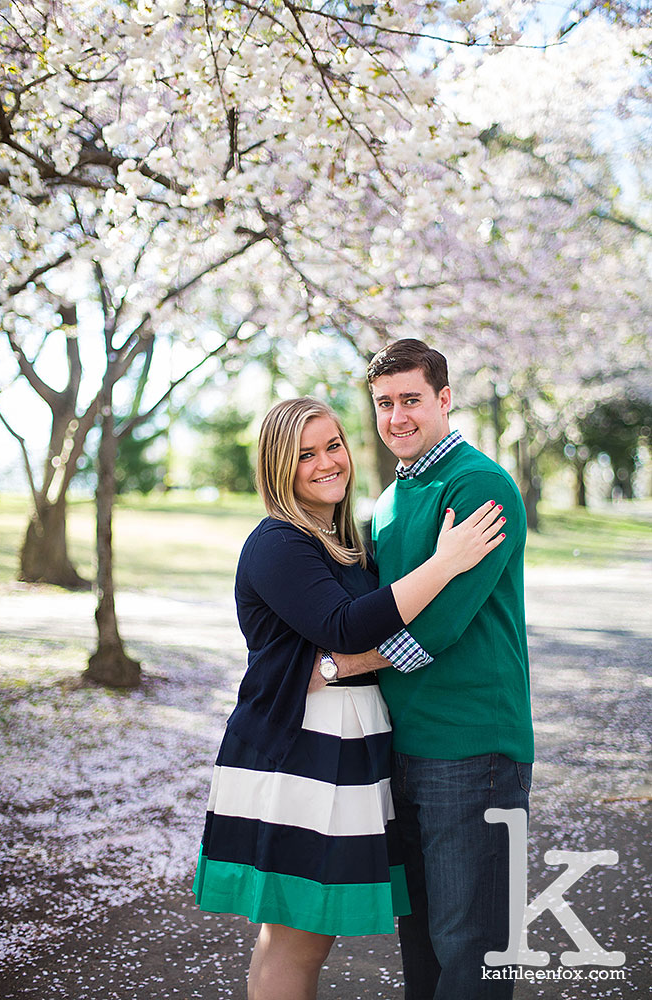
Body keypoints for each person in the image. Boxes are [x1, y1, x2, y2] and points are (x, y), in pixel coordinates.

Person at [193, 396, 507, 1000]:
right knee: (295, 938)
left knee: (300, 936)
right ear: (278, 468)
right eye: (304, 455)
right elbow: (345, 625)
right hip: (298, 753)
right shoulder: (278, 541)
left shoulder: (340, 539)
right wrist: (446, 564)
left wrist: (341, 666)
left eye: (332, 446)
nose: (325, 463)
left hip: (339, 754)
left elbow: (350, 638)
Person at [323, 340, 534, 1000]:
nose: (396, 418)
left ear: (444, 399)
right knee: (421, 943)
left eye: (410, 400)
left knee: (470, 948)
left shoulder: (479, 485)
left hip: (472, 747)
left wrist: (337, 666)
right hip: (406, 747)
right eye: (383, 403)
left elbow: (435, 627)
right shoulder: (391, 499)